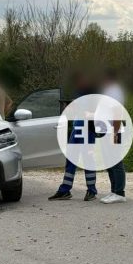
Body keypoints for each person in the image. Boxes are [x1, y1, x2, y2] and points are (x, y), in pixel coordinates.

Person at [48, 73, 97, 202]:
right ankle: (65, 190)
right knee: (71, 159)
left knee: (88, 159)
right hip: (77, 127)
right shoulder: (78, 92)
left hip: (88, 129)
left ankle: (92, 190)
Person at [99, 68, 127, 204]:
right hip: (106, 131)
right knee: (109, 163)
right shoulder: (107, 92)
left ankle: (120, 192)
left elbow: (117, 114)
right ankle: (113, 190)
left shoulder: (114, 92)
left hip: (112, 132)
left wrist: (115, 133)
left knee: (116, 162)